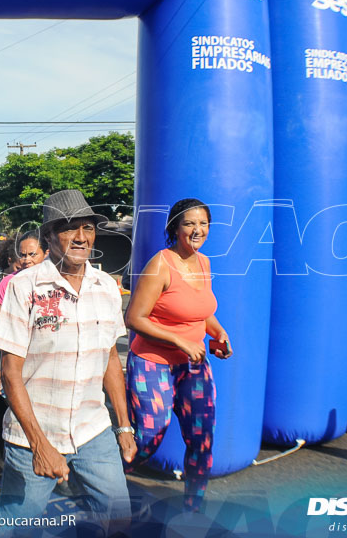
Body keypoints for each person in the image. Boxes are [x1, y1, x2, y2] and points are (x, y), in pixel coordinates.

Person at [0, 189, 134, 529]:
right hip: (33, 435)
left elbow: (110, 359)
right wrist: (40, 445)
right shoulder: (24, 286)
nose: (82, 237)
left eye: (88, 228)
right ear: (50, 237)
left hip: (92, 430)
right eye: (71, 228)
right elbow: (10, 373)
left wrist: (124, 426)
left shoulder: (106, 287)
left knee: (119, 520)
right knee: (15, 529)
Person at [123, 198, 232, 512]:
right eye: (189, 224)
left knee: (202, 435)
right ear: (175, 228)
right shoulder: (160, 264)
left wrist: (218, 332)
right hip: (152, 363)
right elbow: (134, 318)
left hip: (193, 365)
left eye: (203, 224)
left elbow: (199, 311)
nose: (197, 230)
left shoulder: (204, 263)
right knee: (148, 436)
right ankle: (106, 483)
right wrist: (178, 340)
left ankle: (193, 506)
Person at [0, 230, 48, 475]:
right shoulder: (7, 283)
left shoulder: (56, 283)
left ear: (46, 254)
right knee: (4, 412)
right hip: (12, 360)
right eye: (22, 255)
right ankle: (2, 460)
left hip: (42, 364)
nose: (26, 260)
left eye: (33, 254)